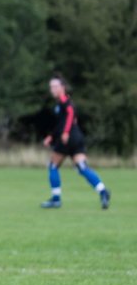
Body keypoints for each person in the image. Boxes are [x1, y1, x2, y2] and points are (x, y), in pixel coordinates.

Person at [41, 76, 110, 210]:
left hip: (67, 138)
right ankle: (103, 191)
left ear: (63, 87)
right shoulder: (61, 104)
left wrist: (65, 133)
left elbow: (70, 114)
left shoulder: (65, 102)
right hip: (77, 137)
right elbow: (63, 122)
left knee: (53, 166)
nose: (52, 89)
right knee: (82, 167)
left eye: (55, 86)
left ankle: (56, 199)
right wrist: (51, 136)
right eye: (51, 87)